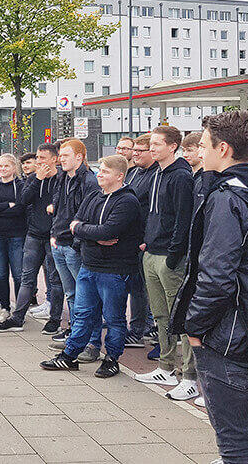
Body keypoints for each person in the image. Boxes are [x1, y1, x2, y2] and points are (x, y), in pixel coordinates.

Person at [170, 111, 248, 463]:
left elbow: (216, 275)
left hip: (227, 338)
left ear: (223, 148)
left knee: (235, 443)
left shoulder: (227, 198)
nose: (201, 152)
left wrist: (195, 328)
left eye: (206, 145)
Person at [40, 155, 141, 378]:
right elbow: (75, 223)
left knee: (113, 317)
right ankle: (70, 355)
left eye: (105, 171)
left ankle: (112, 358)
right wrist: (88, 233)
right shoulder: (94, 196)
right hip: (89, 265)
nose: (99, 174)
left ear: (119, 176)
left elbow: (109, 231)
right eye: (100, 170)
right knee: (83, 313)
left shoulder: (127, 202)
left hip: (115, 269)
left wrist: (84, 230)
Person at [133, 126, 197, 400]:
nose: (152, 148)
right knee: (160, 315)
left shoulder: (181, 177)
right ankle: (166, 366)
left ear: (173, 146)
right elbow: (152, 212)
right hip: (152, 251)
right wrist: (148, 240)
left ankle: (189, 375)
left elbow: (184, 219)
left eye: (158, 144)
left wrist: (174, 254)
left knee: (178, 317)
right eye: (152, 144)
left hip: (170, 257)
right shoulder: (157, 174)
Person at [0, 144, 64, 334]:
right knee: (27, 278)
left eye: (42, 158)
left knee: (54, 279)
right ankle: (18, 317)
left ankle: (55, 320)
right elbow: (23, 200)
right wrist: (37, 179)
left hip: (52, 235)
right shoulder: (33, 178)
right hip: (34, 233)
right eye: (38, 158)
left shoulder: (61, 178)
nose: (38, 161)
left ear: (54, 159)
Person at [49, 139, 100, 352]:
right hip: (59, 242)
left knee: (86, 296)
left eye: (65, 155)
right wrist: (53, 233)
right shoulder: (62, 178)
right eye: (60, 155)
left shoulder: (89, 181)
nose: (61, 159)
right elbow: (57, 208)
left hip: (74, 245)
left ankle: (91, 340)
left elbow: (87, 214)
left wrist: (77, 244)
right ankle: (75, 332)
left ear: (79, 157)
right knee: (71, 293)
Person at [0, 154, 27, 324]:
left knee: (18, 274)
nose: (3, 169)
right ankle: (5, 308)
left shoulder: (21, 186)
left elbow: (20, 208)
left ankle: (19, 310)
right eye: (0, 166)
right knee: (0, 273)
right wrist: (6, 205)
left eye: (6, 166)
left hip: (16, 234)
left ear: (14, 168)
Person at [124, 133, 158, 352]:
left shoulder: (156, 175)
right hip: (132, 239)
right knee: (136, 288)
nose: (134, 154)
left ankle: (141, 329)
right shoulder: (134, 172)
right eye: (133, 150)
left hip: (146, 241)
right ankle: (137, 327)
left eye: (139, 151)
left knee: (146, 291)